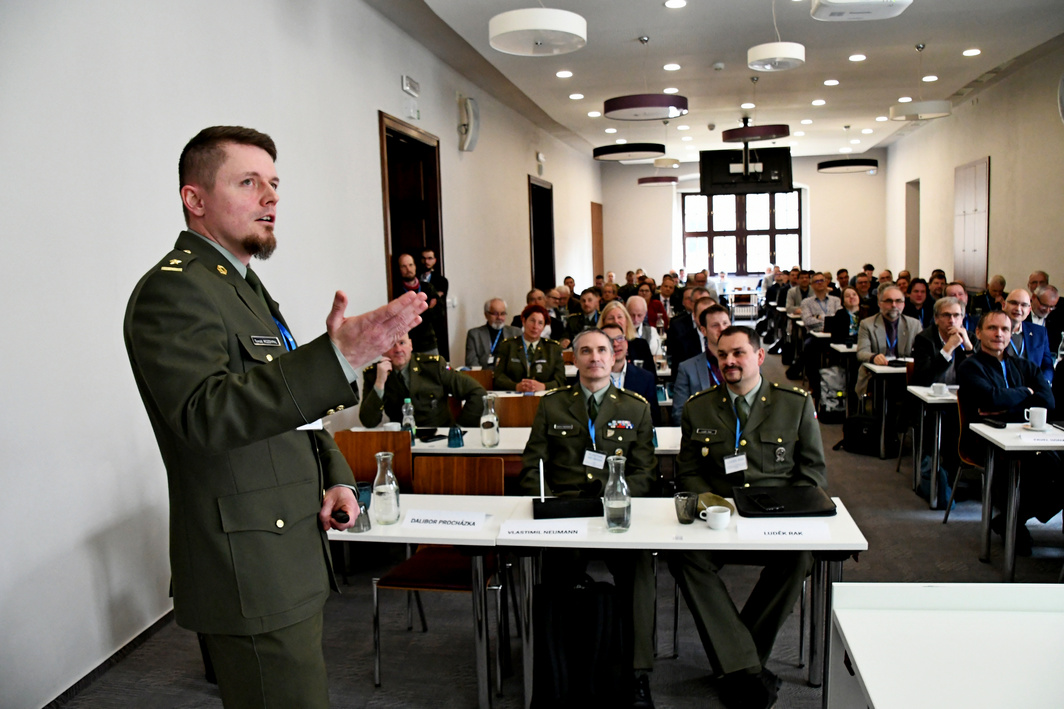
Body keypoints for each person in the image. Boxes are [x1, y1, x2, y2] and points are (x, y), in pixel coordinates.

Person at [124, 126, 428, 708]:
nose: (271, 197)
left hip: (286, 546)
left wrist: (335, 474)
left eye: (274, 183)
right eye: (248, 182)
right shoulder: (176, 290)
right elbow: (206, 414)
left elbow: (290, 410)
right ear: (195, 198)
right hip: (249, 564)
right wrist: (338, 358)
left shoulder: (243, 287)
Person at [670, 326, 826, 709]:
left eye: (738, 353)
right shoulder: (699, 407)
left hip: (775, 519)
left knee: (799, 558)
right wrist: (711, 506)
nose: (729, 361)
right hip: (718, 520)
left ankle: (738, 666)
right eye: (722, 354)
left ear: (759, 356)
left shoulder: (795, 403)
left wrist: (783, 512)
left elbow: (811, 473)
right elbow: (687, 472)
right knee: (684, 557)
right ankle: (748, 669)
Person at [519, 328, 658, 708]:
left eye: (601, 350)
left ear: (613, 358)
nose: (594, 357)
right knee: (557, 573)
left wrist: (619, 499)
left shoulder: (635, 407)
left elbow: (646, 472)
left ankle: (637, 674)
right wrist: (546, 505)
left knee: (639, 572)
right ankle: (560, 671)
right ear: (574, 359)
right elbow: (532, 466)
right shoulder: (552, 405)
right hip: (567, 512)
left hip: (617, 513)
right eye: (585, 351)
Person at [958, 311, 1061, 555]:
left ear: (1012, 333)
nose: (999, 334)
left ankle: (1012, 518)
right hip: (986, 440)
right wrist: (1026, 392)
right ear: (978, 333)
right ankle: (1013, 521)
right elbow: (989, 398)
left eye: (1005, 329)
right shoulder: (970, 366)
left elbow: (1048, 401)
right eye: (992, 328)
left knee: (1059, 468)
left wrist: (1007, 403)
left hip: (1027, 437)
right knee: (1043, 466)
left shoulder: (1025, 365)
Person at [359, 333, 485, 428]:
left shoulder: (434, 366)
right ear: (382, 350)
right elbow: (368, 422)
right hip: (402, 441)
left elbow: (477, 392)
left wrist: (459, 428)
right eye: (391, 345)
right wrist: (380, 383)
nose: (398, 350)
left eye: (402, 343)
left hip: (439, 439)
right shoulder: (374, 374)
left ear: (410, 345)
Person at [855, 285, 921, 397]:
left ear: (904, 304)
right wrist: (873, 357)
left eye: (898, 301)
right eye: (889, 301)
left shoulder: (914, 324)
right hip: (875, 376)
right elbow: (861, 352)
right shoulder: (867, 324)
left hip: (904, 375)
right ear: (879, 303)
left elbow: (921, 353)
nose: (894, 305)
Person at [671, 303, 730, 424]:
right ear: (704, 331)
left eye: (725, 324)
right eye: (715, 325)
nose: (722, 329)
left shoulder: (746, 364)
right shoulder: (687, 368)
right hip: (703, 430)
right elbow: (679, 414)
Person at [493, 304, 566, 392]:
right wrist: (515, 386)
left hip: (544, 396)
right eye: (532, 321)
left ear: (544, 327)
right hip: (514, 396)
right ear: (524, 321)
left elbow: (561, 380)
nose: (535, 327)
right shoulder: (508, 345)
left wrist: (543, 386)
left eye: (540, 323)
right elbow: (498, 377)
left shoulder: (553, 348)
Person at [601, 323, 661, 425]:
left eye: (620, 338)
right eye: (609, 341)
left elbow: (653, 418)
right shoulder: (588, 376)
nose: (616, 344)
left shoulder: (645, 378)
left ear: (626, 343)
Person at [912, 297, 974, 387]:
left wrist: (968, 347)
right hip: (930, 393)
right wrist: (948, 348)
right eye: (946, 315)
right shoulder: (924, 339)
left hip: (961, 393)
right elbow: (925, 379)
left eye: (956, 315)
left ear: (962, 318)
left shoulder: (970, 338)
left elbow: (979, 375)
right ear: (936, 318)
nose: (952, 320)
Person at [1001, 288, 1054, 382]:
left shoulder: (1040, 332)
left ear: (1029, 310)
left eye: (1024, 305)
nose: (1018, 309)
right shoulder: (993, 331)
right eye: (1014, 303)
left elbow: (1048, 366)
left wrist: (1043, 383)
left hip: (1032, 386)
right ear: (1004, 305)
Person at [396, 252, 441, 354]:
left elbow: (439, 313)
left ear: (415, 266)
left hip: (429, 342)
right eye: (404, 266)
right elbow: (400, 318)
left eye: (410, 265)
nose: (408, 269)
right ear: (399, 269)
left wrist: (413, 312)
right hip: (407, 343)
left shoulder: (427, 288)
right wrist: (426, 308)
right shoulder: (396, 291)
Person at [601, 300, 655, 374]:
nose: (616, 321)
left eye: (619, 317)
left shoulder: (641, 345)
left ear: (626, 321)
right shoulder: (598, 348)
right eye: (611, 318)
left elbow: (651, 376)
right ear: (603, 323)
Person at [465, 298, 521, 367]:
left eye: (502, 313)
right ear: (486, 315)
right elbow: (472, 363)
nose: (499, 317)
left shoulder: (516, 332)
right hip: (484, 372)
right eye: (495, 314)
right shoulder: (474, 334)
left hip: (508, 373)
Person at [419, 247, 450, 359]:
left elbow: (435, 302)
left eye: (429, 258)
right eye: (424, 258)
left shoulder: (441, 281)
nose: (426, 261)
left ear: (435, 260)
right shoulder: (416, 279)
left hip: (436, 324)